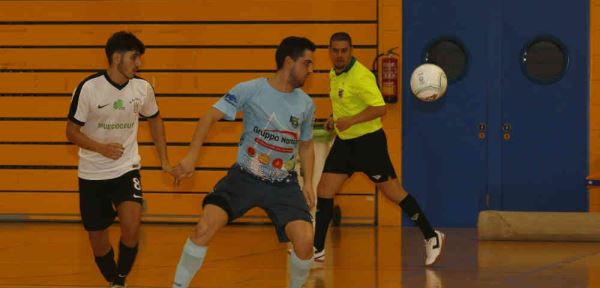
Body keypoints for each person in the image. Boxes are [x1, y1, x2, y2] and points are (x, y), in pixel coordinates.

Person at [170, 36, 317, 288]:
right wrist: (192, 156)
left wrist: (308, 183)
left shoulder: (306, 103)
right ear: (288, 62)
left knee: (304, 242)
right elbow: (208, 117)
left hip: (284, 184)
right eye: (307, 63)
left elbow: (306, 145)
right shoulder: (251, 89)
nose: (311, 70)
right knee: (203, 228)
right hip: (244, 178)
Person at [312, 32, 445, 266]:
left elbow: (380, 108)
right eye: (335, 50)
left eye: (344, 50)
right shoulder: (334, 74)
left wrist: (351, 120)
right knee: (324, 190)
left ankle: (431, 235)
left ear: (351, 50)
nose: (339, 55)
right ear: (330, 51)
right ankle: (317, 248)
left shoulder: (361, 76)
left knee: (394, 193)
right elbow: (349, 105)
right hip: (345, 144)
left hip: (369, 144)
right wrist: (335, 119)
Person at [66, 31, 172, 287]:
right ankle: (113, 279)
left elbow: (155, 119)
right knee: (97, 239)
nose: (139, 64)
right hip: (92, 174)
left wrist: (165, 161)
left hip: (127, 168)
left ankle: (121, 279)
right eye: (134, 57)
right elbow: (71, 132)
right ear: (116, 57)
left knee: (132, 228)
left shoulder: (142, 88)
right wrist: (100, 148)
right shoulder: (89, 88)